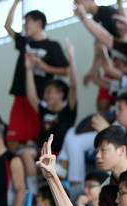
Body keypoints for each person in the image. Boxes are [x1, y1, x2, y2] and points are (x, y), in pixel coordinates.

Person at [3, 1, 69, 148]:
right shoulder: (24, 41)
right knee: (13, 139)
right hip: (20, 95)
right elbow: (7, 26)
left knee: (35, 141)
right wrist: (15, 2)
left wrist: (43, 66)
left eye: (28, 22)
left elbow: (66, 70)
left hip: (39, 99)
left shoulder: (52, 46)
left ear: (39, 23)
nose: (25, 26)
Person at [23, 38, 78, 185]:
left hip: (60, 156)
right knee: (26, 153)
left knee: (45, 160)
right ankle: (33, 194)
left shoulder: (68, 110)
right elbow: (31, 96)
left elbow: (73, 85)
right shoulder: (44, 109)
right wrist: (28, 69)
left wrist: (71, 57)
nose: (45, 95)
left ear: (61, 94)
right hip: (41, 153)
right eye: (46, 92)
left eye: (49, 92)